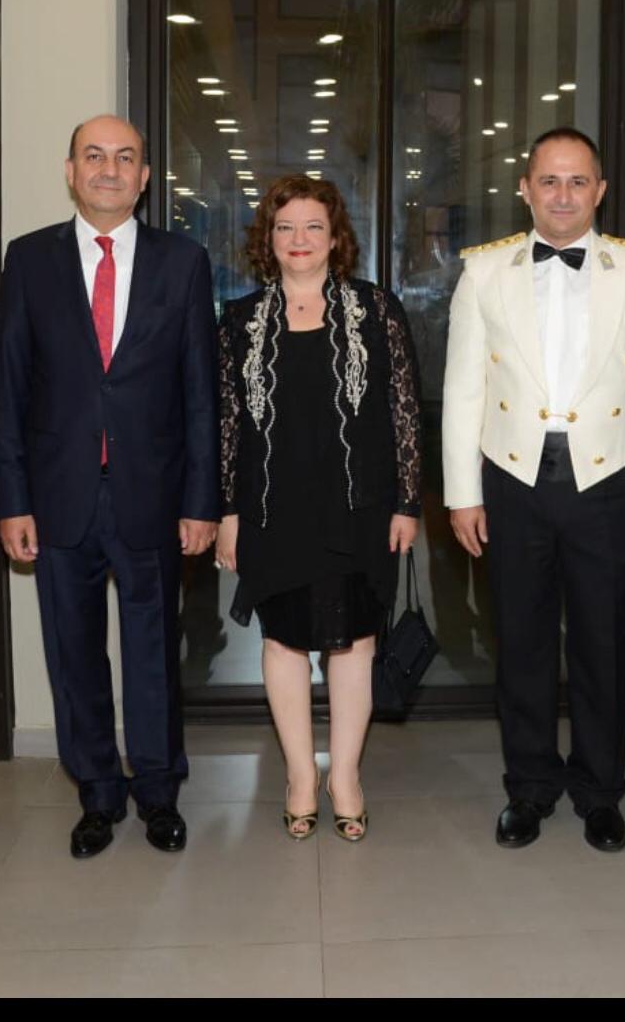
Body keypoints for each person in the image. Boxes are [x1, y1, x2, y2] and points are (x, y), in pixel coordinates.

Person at [0, 115, 218, 859]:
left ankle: (157, 790)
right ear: (71, 171)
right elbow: (8, 390)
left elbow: (200, 395)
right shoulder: (29, 260)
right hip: (57, 497)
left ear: (145, 177)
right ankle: (96, 791)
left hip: (152, 495)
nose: (109, 169)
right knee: (73, 653)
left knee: (153, 652)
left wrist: (201, 502)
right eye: (94, 156)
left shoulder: (183, 262)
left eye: (125, 158)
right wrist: (13, 499)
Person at [443, 127, 625, 853]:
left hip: (606, 481)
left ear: (599, 190)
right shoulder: (484, 272)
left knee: (602, 644)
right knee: (521, 642)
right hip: (512, 480)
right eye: (549, 180)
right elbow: (462, 387)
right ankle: (530, 786)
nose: (563, 195)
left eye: (578, 181)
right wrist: (461, 493)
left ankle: (600, 791)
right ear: (525, 189)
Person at [216, 175, 421, 842]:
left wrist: (408, 502)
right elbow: (227, 426)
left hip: (358, 508)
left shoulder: (377, 308)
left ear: (336, 238)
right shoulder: (240, 320)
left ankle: (346, 778)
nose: (298, 239)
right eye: (285, 227)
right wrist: (227, 513)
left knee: (354, 643)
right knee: (282, 642)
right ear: (267, 239)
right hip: (272, 510)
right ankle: (301, 776)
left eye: (312, 227)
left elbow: (403, 411)